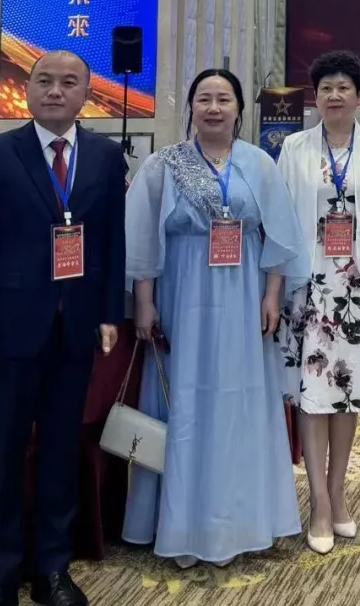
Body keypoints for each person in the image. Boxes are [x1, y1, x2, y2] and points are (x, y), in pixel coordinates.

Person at [0, 51, 126, 606]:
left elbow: (111, 242)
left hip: (73, 332)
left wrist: (108, 312)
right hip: (7, 334)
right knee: (2, 453)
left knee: (59, 451)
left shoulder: (104, 156)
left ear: (86, 94)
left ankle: (53, 567)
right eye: (44, 80)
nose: (55, 91)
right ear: (26, 88)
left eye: (69, 82)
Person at [123, 69, 309, 568]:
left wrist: (272, 294)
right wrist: (144, 301)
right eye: (203, 98)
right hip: (182, 294)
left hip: (245, 295)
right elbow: (142, 239)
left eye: (223, 99)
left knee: (239, 400)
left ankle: (242, 521)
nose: (213, 107)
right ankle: (184, 525)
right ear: (191, 106)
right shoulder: (163, 165)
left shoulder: (259, 163)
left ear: (239, 108)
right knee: (185, 397)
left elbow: (279, 234)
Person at [277, 51, 360, 555]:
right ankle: (319, 502)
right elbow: (281, 218)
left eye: (344, 87)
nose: (334, 95)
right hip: (309, 284)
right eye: (326, 88)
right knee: (312, 393)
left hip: (357, 285)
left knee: (348, 392)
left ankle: (338, 490)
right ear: (315, 96)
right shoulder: (294, 147)